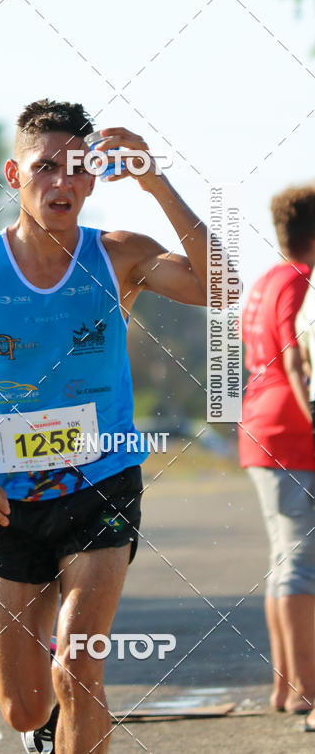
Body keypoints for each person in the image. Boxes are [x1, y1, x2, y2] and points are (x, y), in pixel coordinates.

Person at [0, 100, 213, 753]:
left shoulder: (119, 257)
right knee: (25, 709)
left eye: (79, 169)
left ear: (93, 181)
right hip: (5, 502)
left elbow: (220, 287)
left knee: (78, 665)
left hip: (102, 487)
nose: (62, 181)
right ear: (14, 174)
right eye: (46, 167)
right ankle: (51, 725)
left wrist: (154, 182)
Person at [239, 186, 315, 721]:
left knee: (285, 562)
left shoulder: (267, 279)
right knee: (301, 567)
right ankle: (309, 691)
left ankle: (287, 688)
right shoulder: (300, 281)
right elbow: (296, 356)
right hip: (292, 432)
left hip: (262, 429)